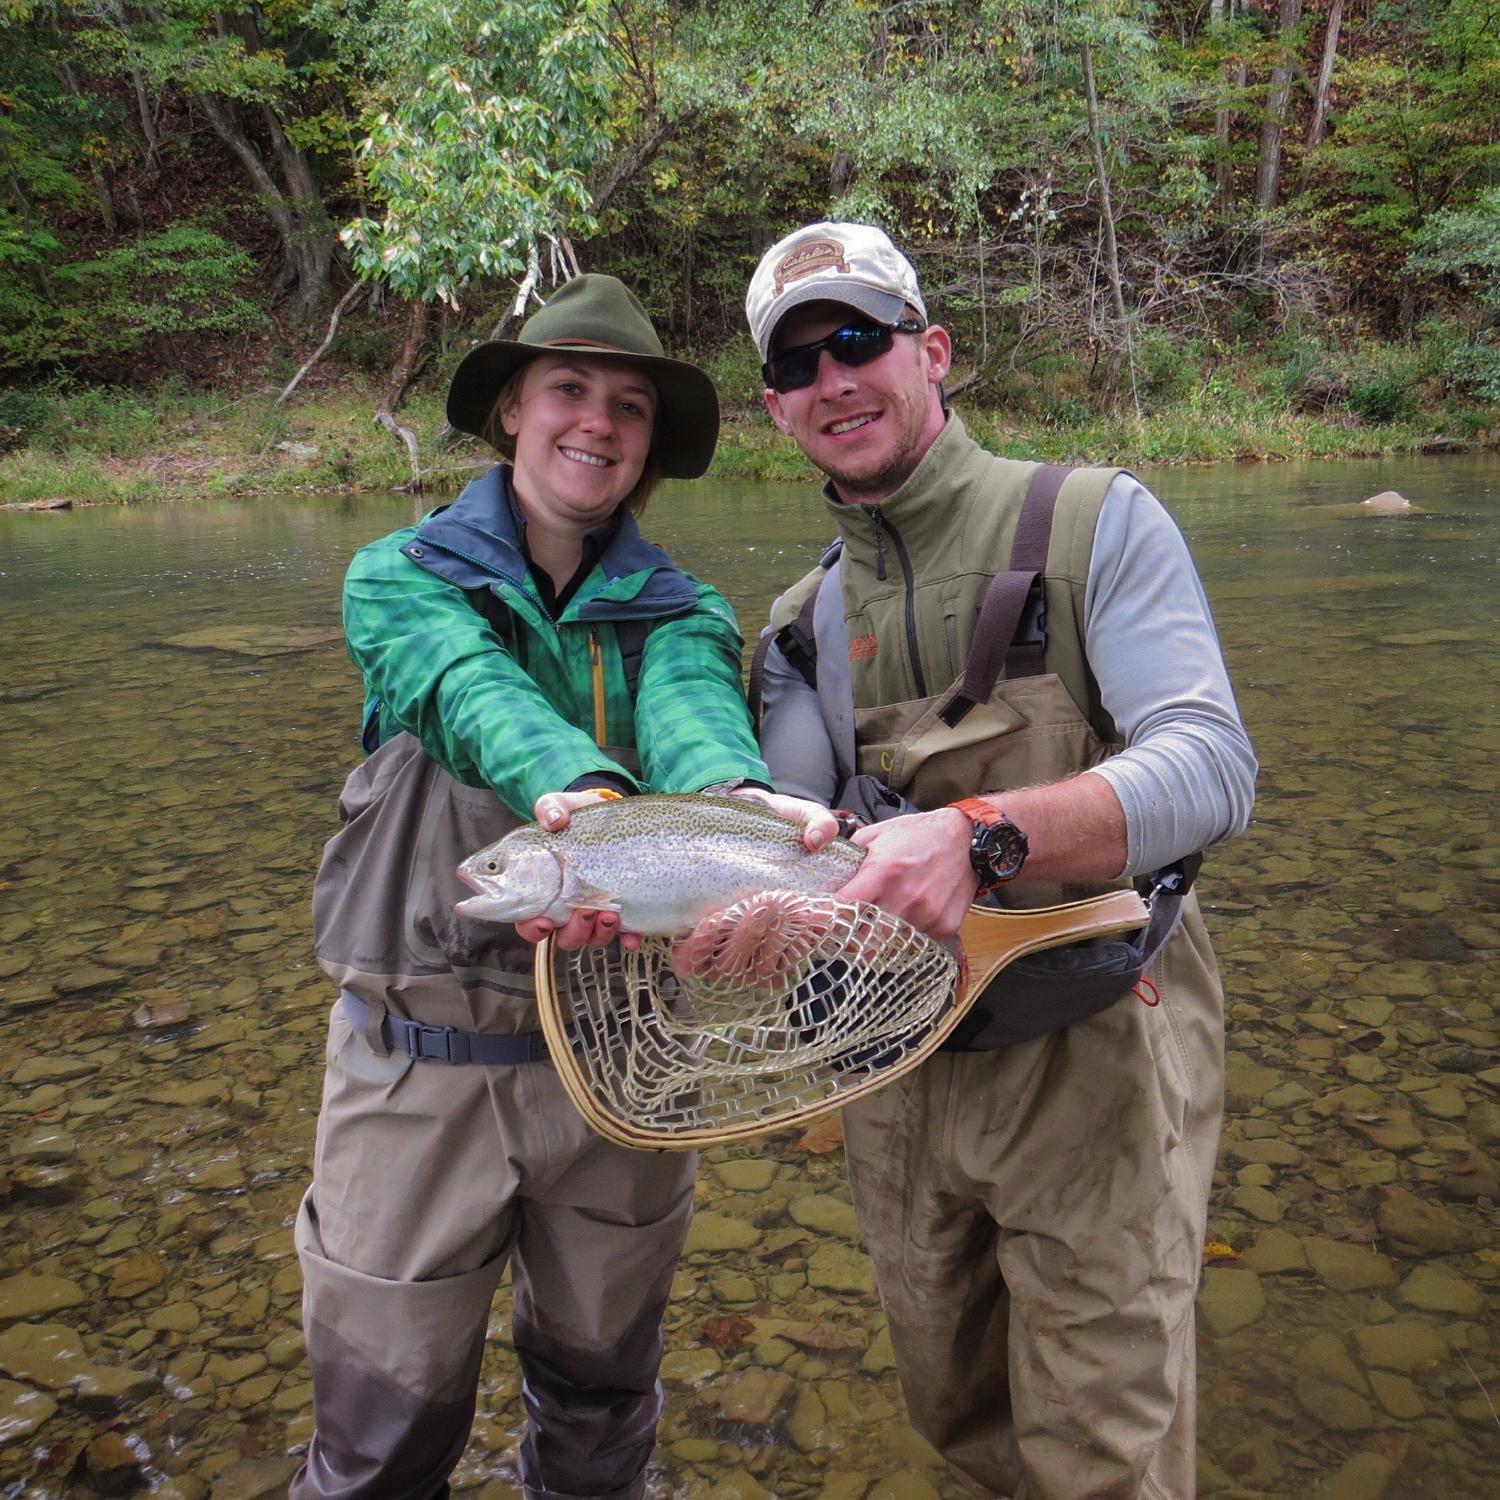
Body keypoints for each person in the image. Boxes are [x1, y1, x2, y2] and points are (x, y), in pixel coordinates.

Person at [293, 273, 834, 1500]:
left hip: (623, 1067)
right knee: (379, 1443)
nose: (597, 423)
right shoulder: (398, 578)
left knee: (601, 1412)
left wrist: (742, 808)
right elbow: (464, 690)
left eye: (629, 405)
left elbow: (697, 715)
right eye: (568, 390)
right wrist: (575, 791)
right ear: (510, 414)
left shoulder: (681, 607)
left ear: (649, 443)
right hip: (414, 1067)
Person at [746, 223, 1258, 1499]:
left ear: (933, 351)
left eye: (857, 339)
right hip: (894, 1075)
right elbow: (791, 838)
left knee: (1104, 1449)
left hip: (1094, 1050)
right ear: (774, 409)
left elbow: (1212, 768)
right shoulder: (799, 622)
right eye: (800, 363)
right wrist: (723, 910)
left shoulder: (1093, 522)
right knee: (959, 1418)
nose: (835, 379)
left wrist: (985, 836)